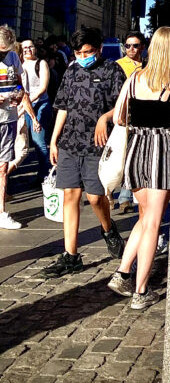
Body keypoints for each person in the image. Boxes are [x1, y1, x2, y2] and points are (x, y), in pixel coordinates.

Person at [107, 26, 170, 309]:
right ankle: (141, 291)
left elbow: (118, 117)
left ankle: (122, 273)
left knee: (144, 218)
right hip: (160, 150)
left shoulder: (134, 77)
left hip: (136, 149)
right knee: (153, 222)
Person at [41, 27, 126, 276]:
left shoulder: (111, 70)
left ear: (98, 50)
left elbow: (123, 105)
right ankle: (71, 255)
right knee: (70, 195)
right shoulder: (72, 70)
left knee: (95, 198)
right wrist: (54, 140)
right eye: (78, 52)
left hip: (97, 145)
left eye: (87, 52)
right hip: (70, 143)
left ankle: (108, 228)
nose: (82, 56)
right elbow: (63, 107)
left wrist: (105, 117)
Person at [0, 25, 40, 228]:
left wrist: (16, 94)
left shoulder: (14, 58)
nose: (3, 54)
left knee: (3, 166)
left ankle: (2, 211)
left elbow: (18, 85)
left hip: (8, 117)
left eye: (6, 50)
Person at [114, 32, 146, 213]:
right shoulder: (118, 66)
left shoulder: (148, 65)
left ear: (142, 47)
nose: (131, 49)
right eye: (127, 46)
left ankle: (125, 196)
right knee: (119, 155)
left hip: (140, 116)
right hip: (122, 116)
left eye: (135, 45)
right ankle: (110, 193)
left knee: (131, 156)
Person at [21, 39, 53, 183]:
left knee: (38, 140)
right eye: (25, 47)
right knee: (22, 141)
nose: (28, 50)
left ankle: (44, 175)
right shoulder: (19, 64)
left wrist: (28, 102)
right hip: (24, 105)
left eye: (30, 47)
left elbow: (43, 88)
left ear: (35, 48)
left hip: (40, 104)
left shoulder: (41, 63)